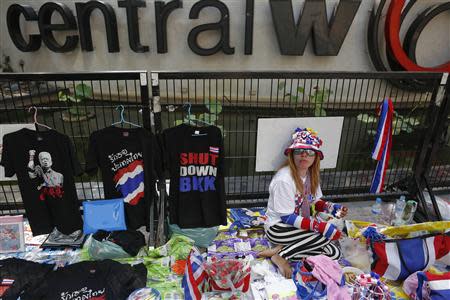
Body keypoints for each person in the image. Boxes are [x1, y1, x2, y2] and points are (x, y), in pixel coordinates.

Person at [260, 127, 348, 278]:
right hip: (278, 227)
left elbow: (315, 202)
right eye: (299, 151)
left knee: (334, 253)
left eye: (310, 152)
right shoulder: (284, 179)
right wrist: (320, 226)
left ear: (316, 157)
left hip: (297, 227)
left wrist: (332, 208)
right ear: (292, 155)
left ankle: (282, 249)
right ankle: (280, 256)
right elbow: (287, 217)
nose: (304, 155)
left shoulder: (310, 175)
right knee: (323, 235)